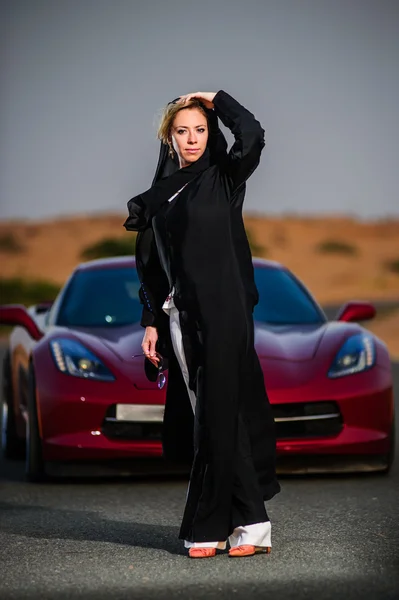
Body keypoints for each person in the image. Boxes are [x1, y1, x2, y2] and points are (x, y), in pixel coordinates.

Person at [124, 90, 280, 558]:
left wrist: (217, 99)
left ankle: (211, 522)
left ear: (210, 132)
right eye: (182, 131)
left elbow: (252, 136)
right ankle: (252, 523)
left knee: (219, 410)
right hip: (181, 319)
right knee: (214, 415)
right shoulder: (158, 198)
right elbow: (152, 266)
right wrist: (151, 321)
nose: (192, 139)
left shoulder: (224, 177)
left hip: (227, 313)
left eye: (200, 130)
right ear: (168, 138)